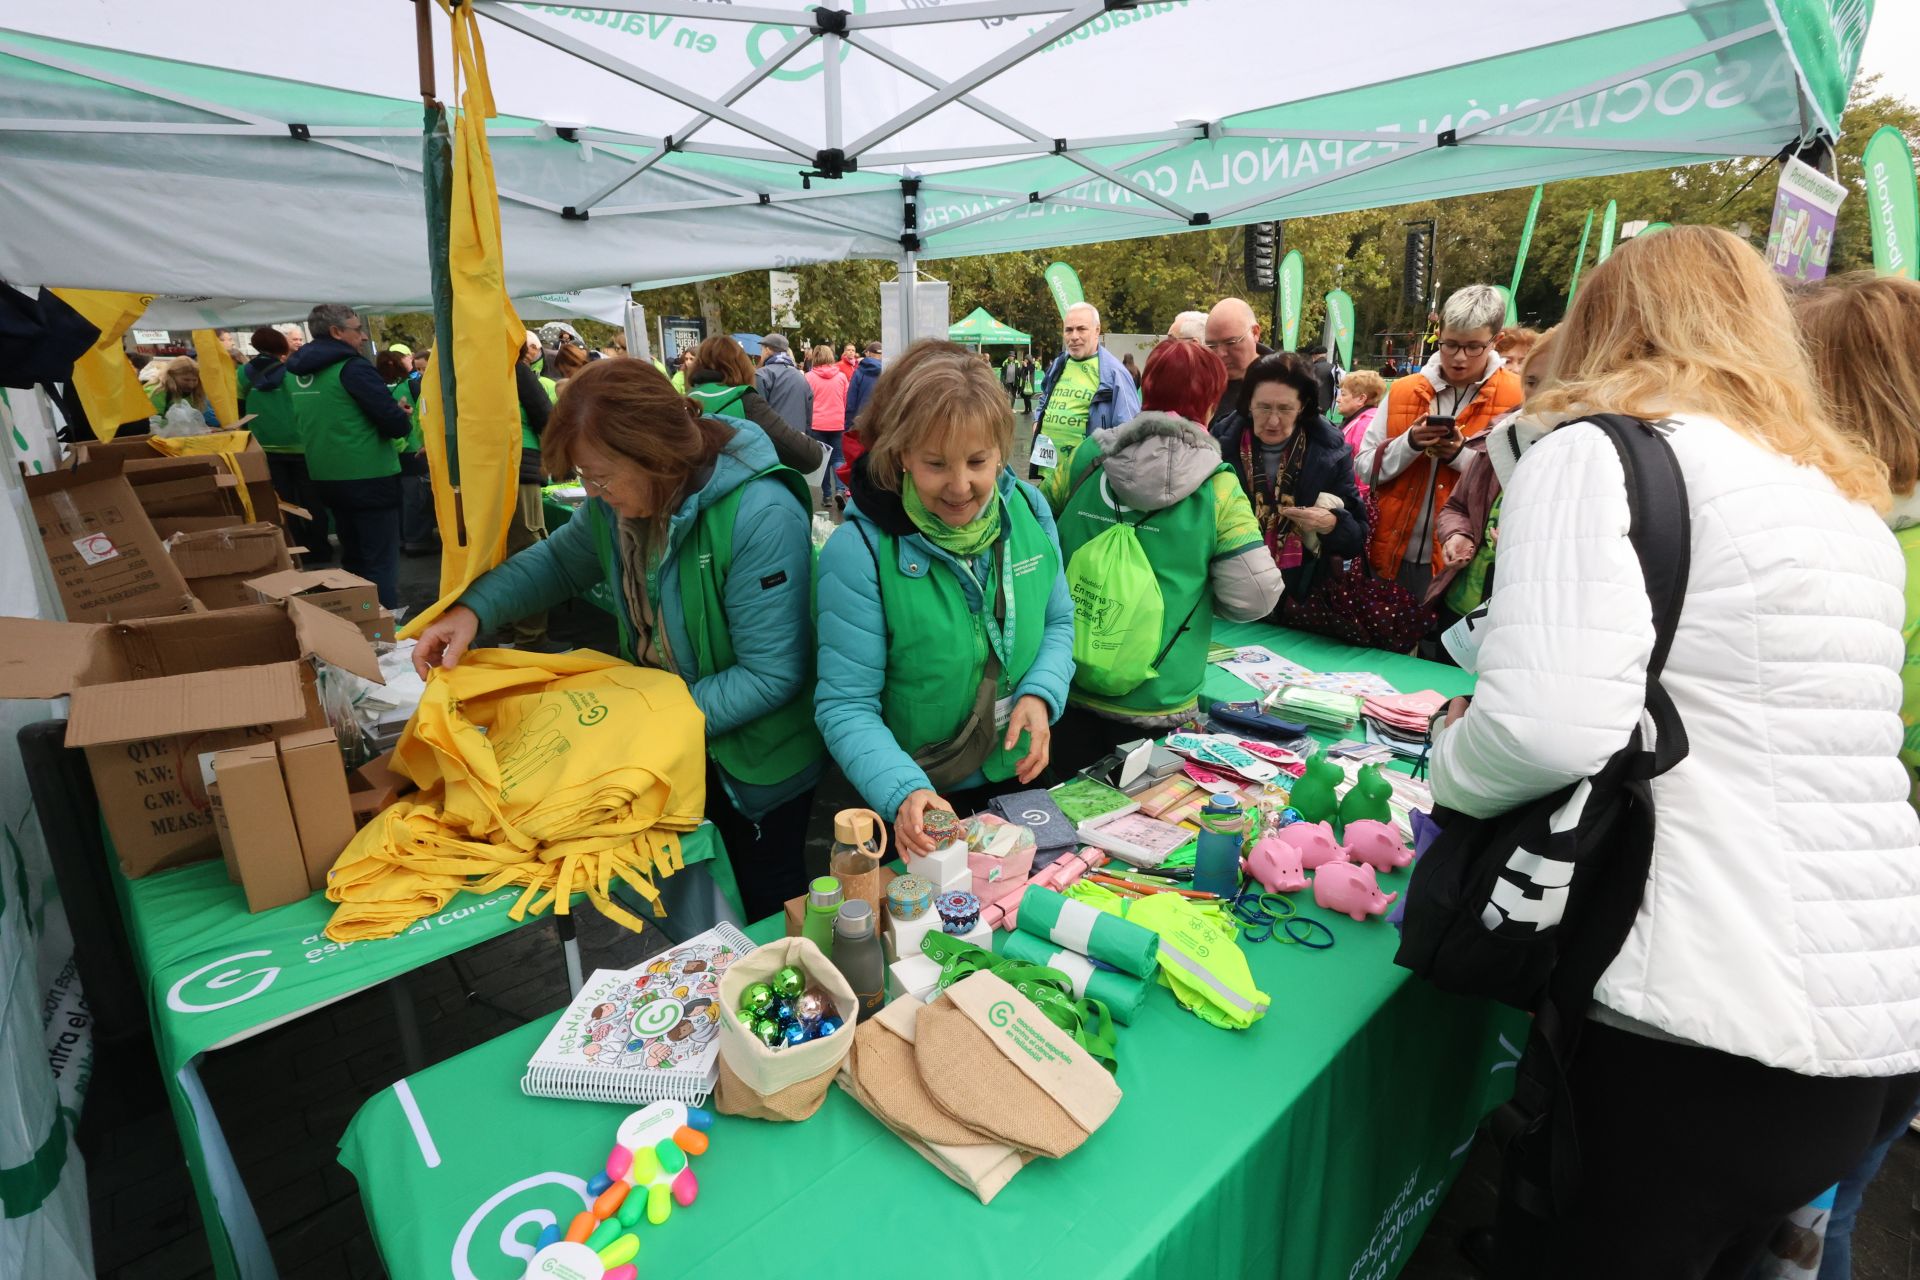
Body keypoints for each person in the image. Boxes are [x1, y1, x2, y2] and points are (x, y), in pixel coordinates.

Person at [1429, 227, 1920, 1279]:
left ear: (1604, 324)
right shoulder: (1842, 504)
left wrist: (1447, 760)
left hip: (1696, 1016)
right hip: (1862, 1029)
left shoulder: (1600, 451)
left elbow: (1542, 725)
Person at [409, 359, 821, 921]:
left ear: (656, 455)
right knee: (702, 904)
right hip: (679, 743)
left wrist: (639, 723)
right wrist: (474, 610)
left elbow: (772, 673)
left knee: (765, 900)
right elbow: (558, 562)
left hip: (755, 768)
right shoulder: (618, 506)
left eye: (601, 477)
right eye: (583, 477)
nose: (592, 493)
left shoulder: (759, 513)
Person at [1786, 272, 1920, 1280]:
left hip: (1845, 964)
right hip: (1864, 968)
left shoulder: (1870, 554)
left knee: (1801, 1224)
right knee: (1819, 1213)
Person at [815, 341, 1075, 856]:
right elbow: (845, 705)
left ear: (1002, 449)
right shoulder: (860, 551)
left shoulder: (1029, 510)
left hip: (1012, 776)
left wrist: (1041, 694)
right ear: (901, 455)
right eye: (936, 464)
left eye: (978, 461)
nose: (961, 486)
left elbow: (1058, 622)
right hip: (915, 801)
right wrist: (904, 790)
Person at [1048, 339, 1282, 773]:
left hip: (1066, 680)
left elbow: (1037, 527)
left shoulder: (1089, 456)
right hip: (1159, 695)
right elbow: (1255, 596)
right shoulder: (1218, 489)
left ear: (1145, 391)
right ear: (1212, 403)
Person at [1357, 283, 1522, 599]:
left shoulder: (1517, 396)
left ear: (1496, 341)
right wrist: (1411, 443)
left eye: (1473, 346)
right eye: (1450, 344)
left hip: (1464, 562)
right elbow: (1366, 468)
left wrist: (1460, 455)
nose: (1459, 358)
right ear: (1438, 334)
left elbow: (1519, 484)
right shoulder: (1404, 389)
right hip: (1390, 555)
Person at [1424, 327, 1558, 624]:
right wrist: (1458, 534)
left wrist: (1523, 547)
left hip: (1522, 619)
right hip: (1461, 608)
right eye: (1532, 381)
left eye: (1554, 382)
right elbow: (1456, 507)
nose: (1540, 394)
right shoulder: (1500, 436)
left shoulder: (1584, 455)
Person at [286, 305, 413, 606]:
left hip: (326, 475)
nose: (363, 335)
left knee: (354, 559)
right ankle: (384, 629)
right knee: (380, 561)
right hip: (369, 475)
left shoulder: (295, 373)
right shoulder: (352, 367)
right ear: (336, 332)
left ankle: (360, 624)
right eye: (357, 329)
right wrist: (400, 415)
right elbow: (393, 424)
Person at [1216, 352, 1367, 603]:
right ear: (1248, 403)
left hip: (1302, 599)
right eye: (1263, 407)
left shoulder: (1330, 452)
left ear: (1304, 406)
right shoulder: (1219, 446)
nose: (1273, 421)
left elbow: (1356, 537)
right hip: (1229, 589)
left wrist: (1332, 524)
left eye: (1285, 409)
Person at [239, 325, 332, 563]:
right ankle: (320, 547)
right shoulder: (293, 372)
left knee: (284, 501)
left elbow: (238, 409)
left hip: (264, 446)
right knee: (312, 500)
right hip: (300, 444)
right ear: (281, 346)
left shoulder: (242, 373)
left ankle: (297, 548)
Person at [683, 335, 823, 476]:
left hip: (691, 490)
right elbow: (811, 456)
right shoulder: (745, 400)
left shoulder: (687, 401)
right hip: (738, 490)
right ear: (741, 364)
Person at [1031, 303, 1141, 467]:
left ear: (1097, 330)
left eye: (1081, 329)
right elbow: (1044, 397)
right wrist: (1038, 420)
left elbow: (1129, 429)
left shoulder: (1115, 373)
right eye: (1068, 330)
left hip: (1086, 476)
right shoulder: (1059, 364)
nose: (1074, 336)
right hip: (1048, 472)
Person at [1203, 297, 1274, 432]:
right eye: (1212, 346)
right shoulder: (1200, 386)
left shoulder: (1287, 382)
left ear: (1255, 333)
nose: (1221, 353)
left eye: (1231, 343)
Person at [805, 344, 849, 507]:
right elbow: (845, 400)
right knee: (838, 458)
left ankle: (827, 496)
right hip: (837, 423)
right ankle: (840, 490)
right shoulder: (842, 377)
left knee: (823, 460)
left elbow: (807, 402)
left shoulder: (809, 377)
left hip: (817, 424)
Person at [754, 334, 812, 439]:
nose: (761, 353)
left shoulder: (762, 375)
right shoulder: (801, 376)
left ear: (767, 350)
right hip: (798, 441)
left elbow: (757, 414)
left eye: (761, 349)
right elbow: (809, 414)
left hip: (772, 442)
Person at [146, 356, 220, 429]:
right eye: (186, 380)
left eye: (194, 380)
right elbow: (153, 422)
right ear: (171, 375)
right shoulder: (157, 393)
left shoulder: (193, 394)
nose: (191, 385)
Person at [1335, 369, 1386, 463]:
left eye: (1343, 394)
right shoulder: (1368, 419)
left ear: (1361, 399)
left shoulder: (1363, 426)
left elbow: (1359, 469)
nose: (1338, 399)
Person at [1307, 345, 1338, 413]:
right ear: (1325, 356)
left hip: (1312, 404)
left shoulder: (1311, 368)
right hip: (1326, 404)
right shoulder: (1333, 368)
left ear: (1314, 356)